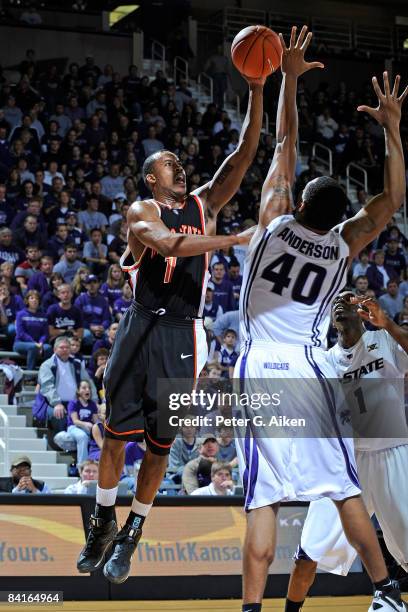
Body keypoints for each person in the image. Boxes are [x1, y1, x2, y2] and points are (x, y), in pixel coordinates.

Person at [234, 26, 407, 612]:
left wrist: (287, 76)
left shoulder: (275, 220)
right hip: (309, 371)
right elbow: (390, 204)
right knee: (341, 486)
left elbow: (285, 142)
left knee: (262, 500)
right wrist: (393, 131)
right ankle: (386, 591)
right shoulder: (342, 247)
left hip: (259, 366)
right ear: (336, 217)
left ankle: (253, 609)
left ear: (300, 200)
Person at [77, 60, 266, 583]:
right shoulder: (140, 212)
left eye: (180, 161)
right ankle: (102, 525)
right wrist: (233, 239)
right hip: (140, 326)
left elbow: (244, 155)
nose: (177, 165)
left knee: (160, 445)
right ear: (149, 178)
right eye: (167, 162)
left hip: (185, 332)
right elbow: (169, 245)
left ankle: (132, 535)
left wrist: (255, 88)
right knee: (115, 438)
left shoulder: (202, 203)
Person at [286, 293, 408, 610]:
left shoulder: (384, 340)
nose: (340, 304)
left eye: (348, 300)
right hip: (345, 466)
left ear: (362, 310)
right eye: (335, 303)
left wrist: (391, 324)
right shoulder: (324, 361)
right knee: (306, 555)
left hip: (391, 454)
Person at [13, 289, 51, 370]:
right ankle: (30, 376)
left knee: (48, 348)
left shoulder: (43, 315)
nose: (35, 300)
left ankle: (45, 373)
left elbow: (45, 333)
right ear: (27, 300)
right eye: (32, 298)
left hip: (38, 344)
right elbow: (21, 333)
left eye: (37, 299)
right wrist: (35, 343)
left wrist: (41, 343)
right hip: (21, 343)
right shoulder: (20, 314)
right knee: (33, 347)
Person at [67, 381, 99, 465]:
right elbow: (75, 421)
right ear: (78, 391)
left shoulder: (92, 404)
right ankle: (82, 466)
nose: (87, 390)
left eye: (89, 388)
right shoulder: (73, 403)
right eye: (84, 388)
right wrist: (86, 424)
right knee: (83, 437)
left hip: (87, 428)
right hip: (74, 427)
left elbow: (96, 421)